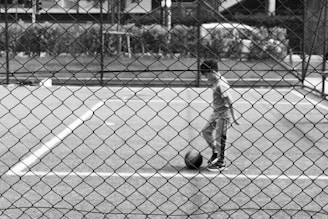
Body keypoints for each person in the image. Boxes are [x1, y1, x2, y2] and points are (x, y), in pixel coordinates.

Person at [200, 59, 239, 171]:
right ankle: (215, 152)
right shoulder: (216, 82)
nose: (205, 77)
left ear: (212, 71)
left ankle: (221, 162)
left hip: (223, 114)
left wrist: (234, 116)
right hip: (216, 112)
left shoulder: (221, 84)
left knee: (220, 138)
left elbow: (229, 100)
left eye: (206, 74)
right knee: (205, 131)